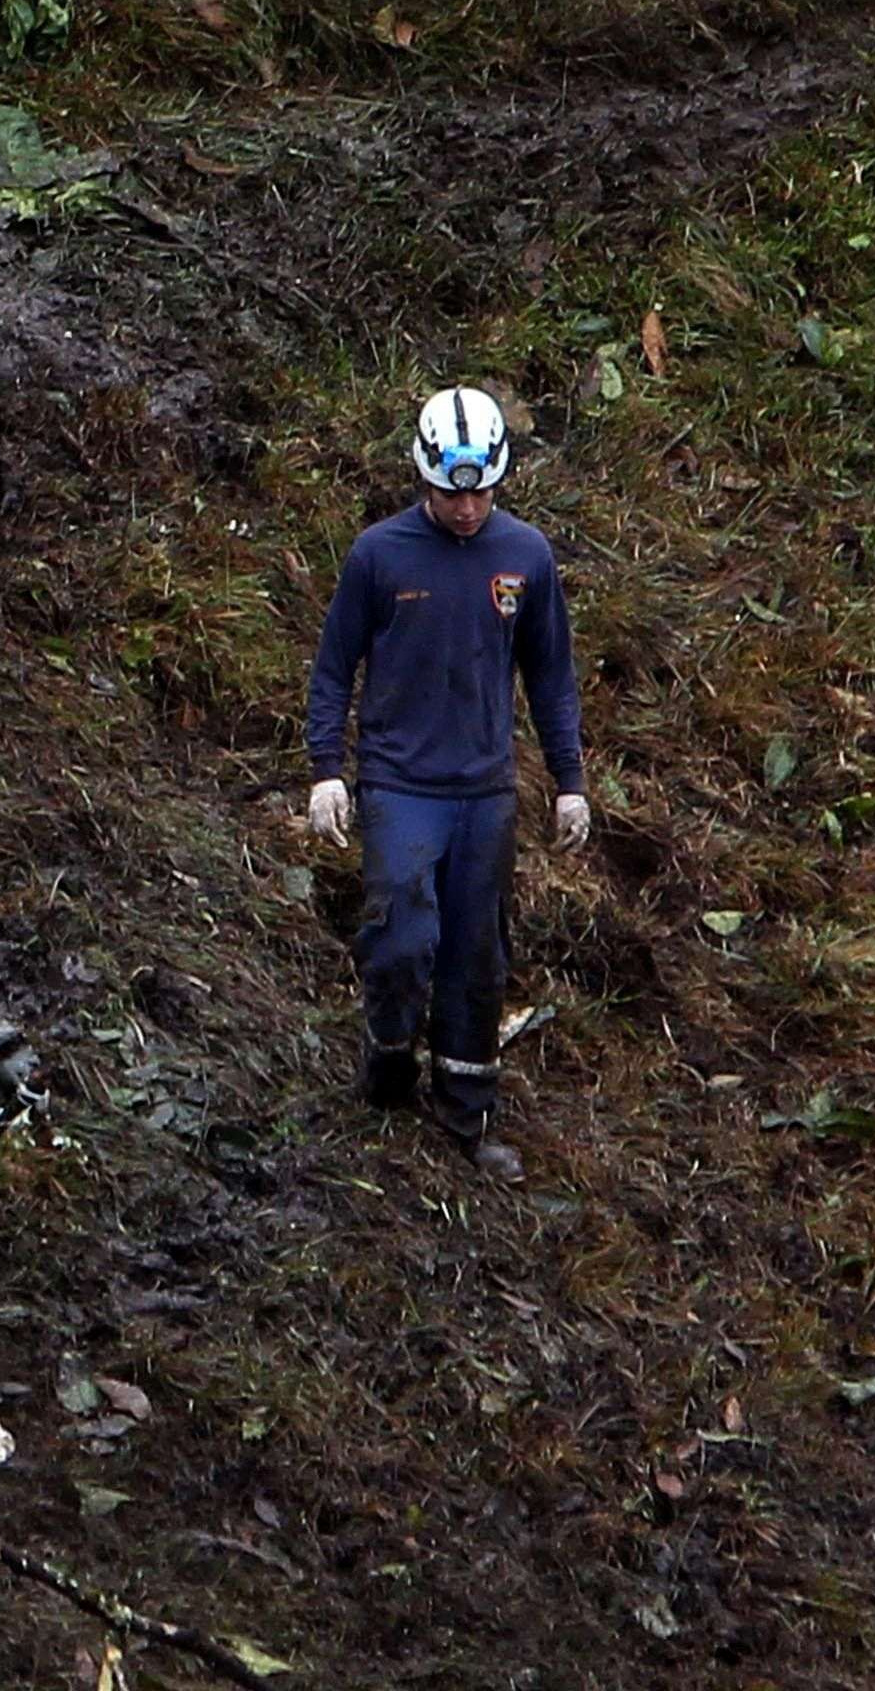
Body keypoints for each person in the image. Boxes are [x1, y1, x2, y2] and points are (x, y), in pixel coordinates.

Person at [307, 384, 590, 1180]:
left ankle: (466, 1109)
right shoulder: (378, 556)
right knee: (400, 932)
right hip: (399, 784)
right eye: (448, 497)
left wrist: (569, 780)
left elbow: (551, 676)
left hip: (485, 790)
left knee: (477, 951)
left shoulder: (526, 557)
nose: (466, 513)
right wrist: (327, 772)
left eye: (479, 497)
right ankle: (389, 1060)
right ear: (423, 480)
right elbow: (333, 670)